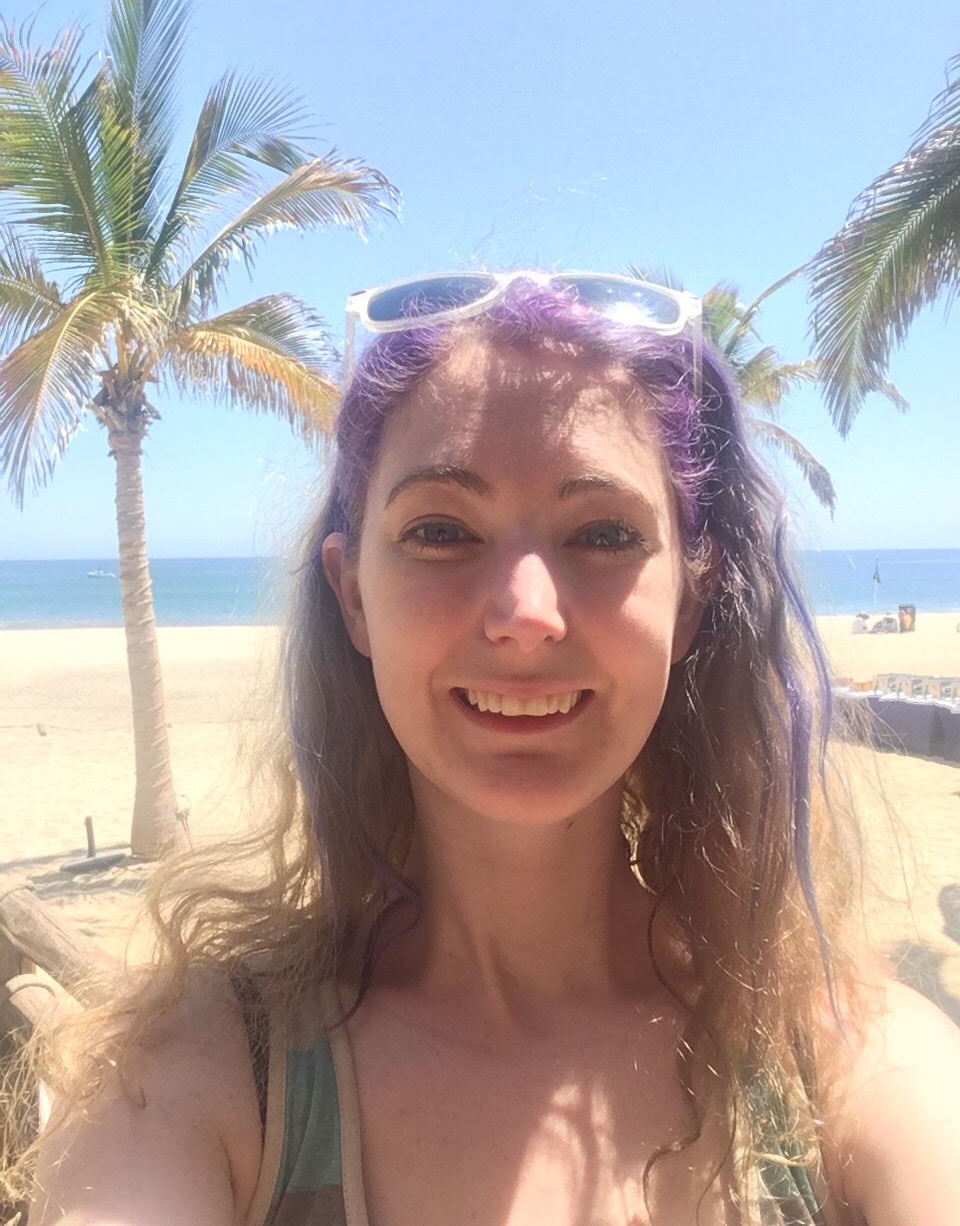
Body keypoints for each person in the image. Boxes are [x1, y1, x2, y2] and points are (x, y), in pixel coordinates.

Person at [10, 271, 960, 1225]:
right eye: (439, 530)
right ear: (352, 597)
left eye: (602, 532)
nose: (523, 616)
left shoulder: (846, 1064)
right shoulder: (201, 1078)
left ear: (692, 599)